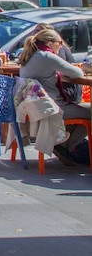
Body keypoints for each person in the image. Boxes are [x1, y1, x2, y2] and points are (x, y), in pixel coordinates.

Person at [17, 28, 91, 165]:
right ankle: (69, 147)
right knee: (90, 112)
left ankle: (64, 144)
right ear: (50, 43)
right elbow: (77, 73)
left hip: (35, 107)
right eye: (60, 43)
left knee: (83, 109)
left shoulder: (29, 55)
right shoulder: (46, 56)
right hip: (51, 108)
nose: (61, 46)